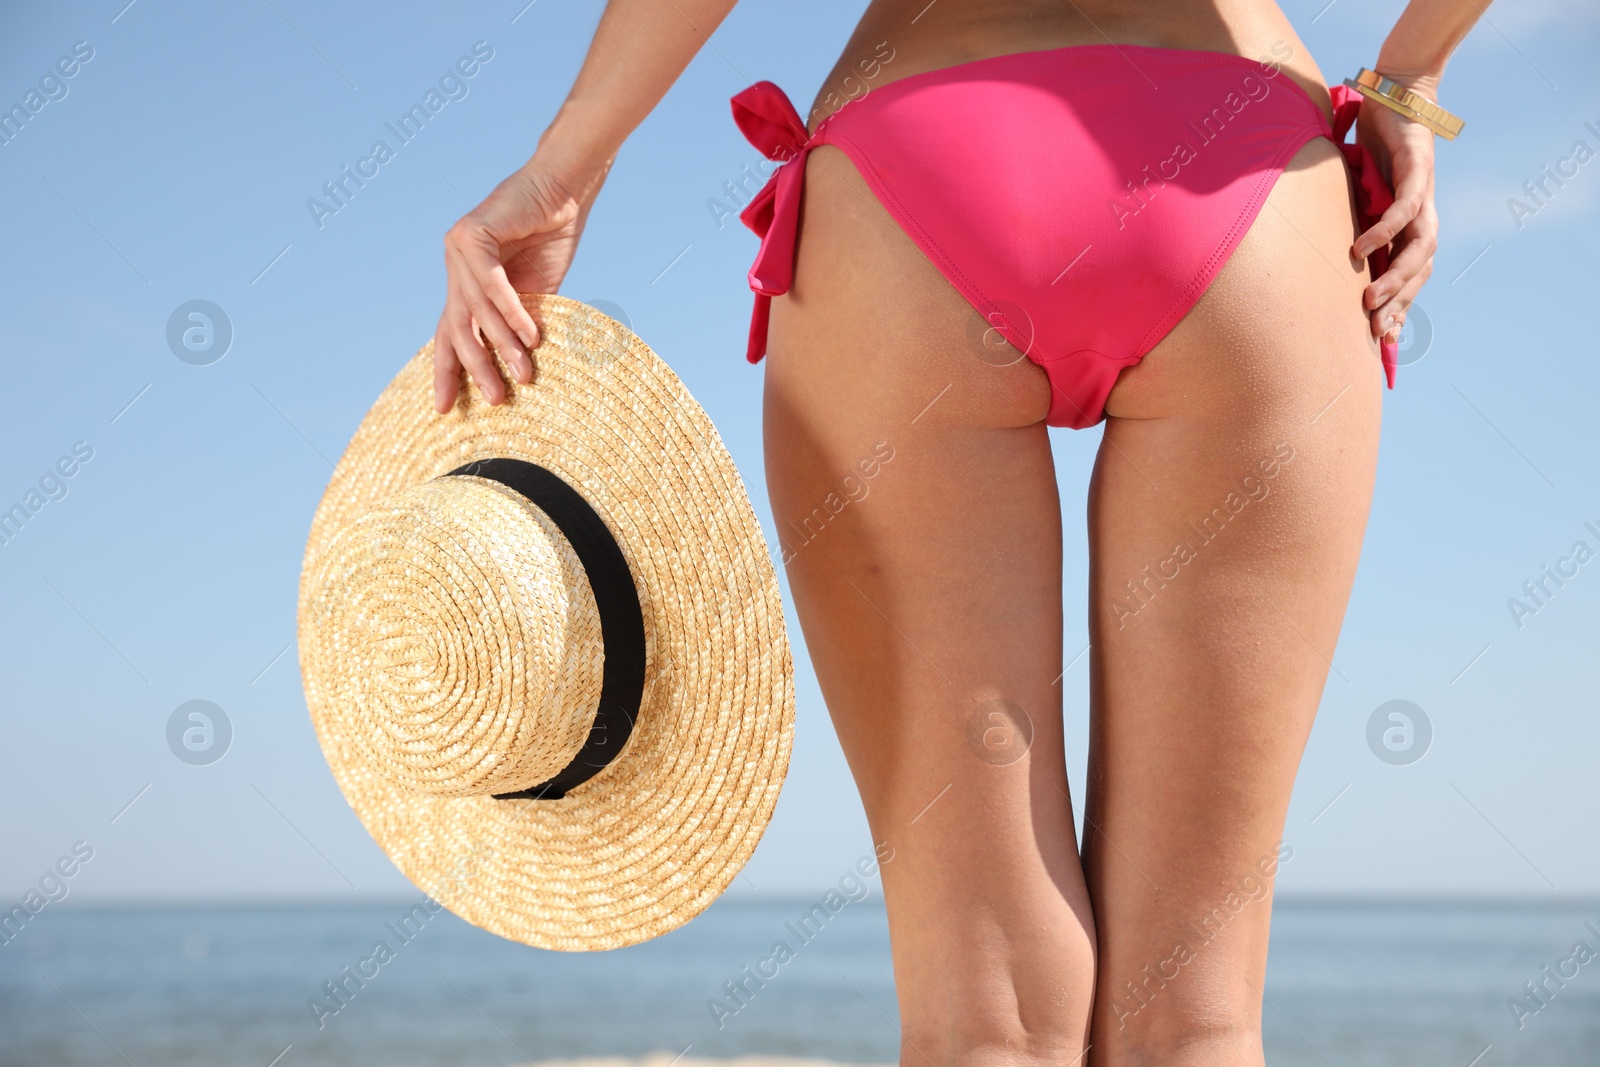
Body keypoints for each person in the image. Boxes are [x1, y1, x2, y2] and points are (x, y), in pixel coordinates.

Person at [431, 1, 1484, 1063]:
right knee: (1194, 1015)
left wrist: (564, 168)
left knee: (985, 1019)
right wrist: (1412, 76)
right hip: (1241, 157)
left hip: (921, 152)